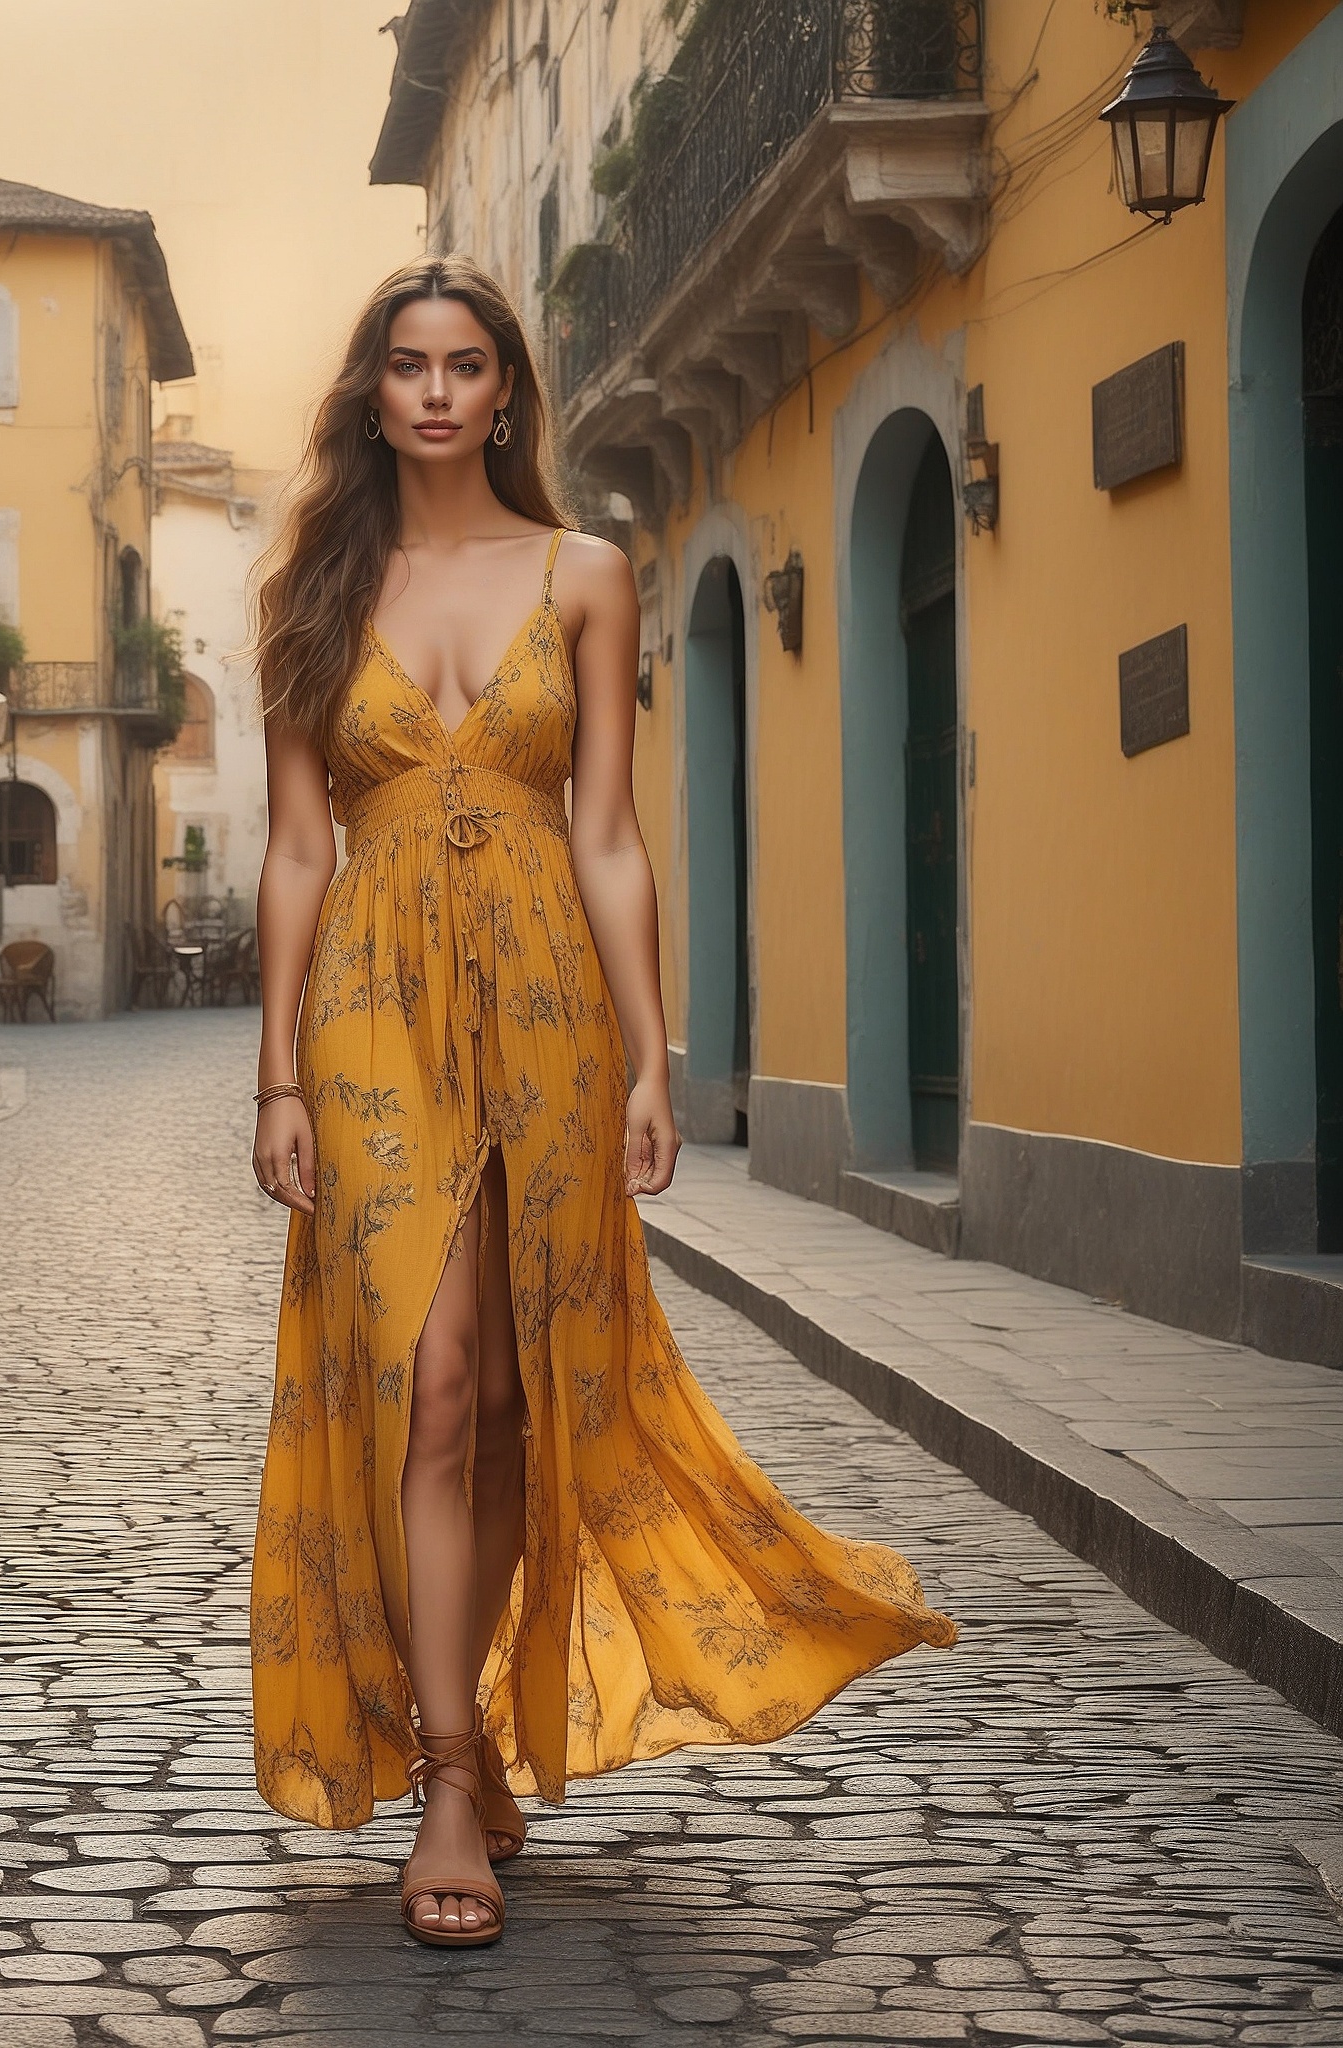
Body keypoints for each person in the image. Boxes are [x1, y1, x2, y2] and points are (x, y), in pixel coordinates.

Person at [246, 257, 955, 1950]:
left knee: (506, 1405)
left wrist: (658, 1054)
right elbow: (291, 850)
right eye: (407, 365)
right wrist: (275, 1070)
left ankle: (475, 1738)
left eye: (466, 364)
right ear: (372, 390)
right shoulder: (310, 595)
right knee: (425, 1381)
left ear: (506, 392)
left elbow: (612, 837)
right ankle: (440, 1777)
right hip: (372, 1011)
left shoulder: (587, 572)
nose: (434, 392)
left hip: (551, 1005)